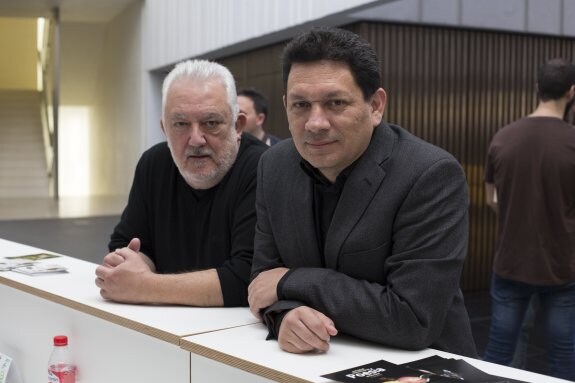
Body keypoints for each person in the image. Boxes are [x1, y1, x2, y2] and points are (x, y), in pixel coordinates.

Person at [247, 27, 477, 357]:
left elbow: (412, 318)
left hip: (421, 365)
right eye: (300, 105)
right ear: (285, 105)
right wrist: (285, 315)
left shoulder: (429, 174)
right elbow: (262, 282)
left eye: (335, 103)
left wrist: (293, 282)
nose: (315, 123)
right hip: (313, 364)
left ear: (376, 105)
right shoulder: (273, 166)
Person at [95, 59, 267, 307]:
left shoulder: (264, 168)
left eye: (211, 123)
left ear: (237, 125)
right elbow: (127, 244)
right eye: (181, 124)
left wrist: (144, 286)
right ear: (165, 128)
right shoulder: (153, 164)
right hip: (162, 326)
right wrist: (133, 263)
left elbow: (248, 278)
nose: (196, 140)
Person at [483, 58, 575, 380]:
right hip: (562, 266)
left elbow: (491, 199)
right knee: (563, 351)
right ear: (572, 92)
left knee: (500, 348)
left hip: (511, 262)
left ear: (537, 89)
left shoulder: (503, 138)